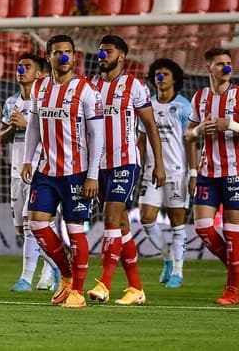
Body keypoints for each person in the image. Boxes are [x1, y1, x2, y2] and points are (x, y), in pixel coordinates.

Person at [20, 33, 103, 309]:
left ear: (75, 56)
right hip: (45, 170)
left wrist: (93, 174)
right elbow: (33, 125)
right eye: (58, 52)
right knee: (36, 224)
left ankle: (77, 292)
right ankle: (66, 275)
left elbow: (97, 136)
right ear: (49, 57)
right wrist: (27, 159)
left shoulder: (86, 90)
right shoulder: (40, 88)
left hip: (76, 172)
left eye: (68, 51)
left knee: (75, 228)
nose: (64, 56)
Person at [85, 35, 164, 306]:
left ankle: (104, 285)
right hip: (97, 165)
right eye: (100, 52)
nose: (101, 56)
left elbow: (151, 126)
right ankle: (136, 289)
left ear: (121, 57)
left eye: (107, 51)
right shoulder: (90, 85)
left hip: (125, 162)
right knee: (121, 225)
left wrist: (159, 163)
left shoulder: (135, 86)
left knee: (111, 217)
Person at [185, 46, 239, 306]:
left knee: (231, 232)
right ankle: (236, 266)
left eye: (229, 63)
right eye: (220, 64)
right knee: (203, 228)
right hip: (207, 173)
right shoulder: (199, 98)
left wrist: (230, 125)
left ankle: (233, 291)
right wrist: (198, 131)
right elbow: (188, 136)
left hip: (235, 173)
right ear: (208, 67)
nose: (226, 68)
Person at [0, 53, 57, 292]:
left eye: (27, 67)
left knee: (31, 222)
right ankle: (53, 266)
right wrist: (13, 127)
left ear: (40, 74)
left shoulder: (45, 102)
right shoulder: (12, 102)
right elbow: (2, 138)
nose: (21, 70)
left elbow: (55, 137)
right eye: (19, 66)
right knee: (24, 229)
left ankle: (26, 278)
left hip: (39, 169)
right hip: (16, 171)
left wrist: (28, 125)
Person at [137, 58, 195, 289]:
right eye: (157, 74)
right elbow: (141, 140)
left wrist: (193, 173)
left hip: (177, 171)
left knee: (176, 222)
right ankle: (167, 258)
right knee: (146, 217)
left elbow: (190, 142)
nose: (160, 78)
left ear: (175, 79)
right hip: (151, 171)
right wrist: (137, 166)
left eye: (165, 74)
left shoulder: (184, 106)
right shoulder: (147, 105)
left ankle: (178, 272)